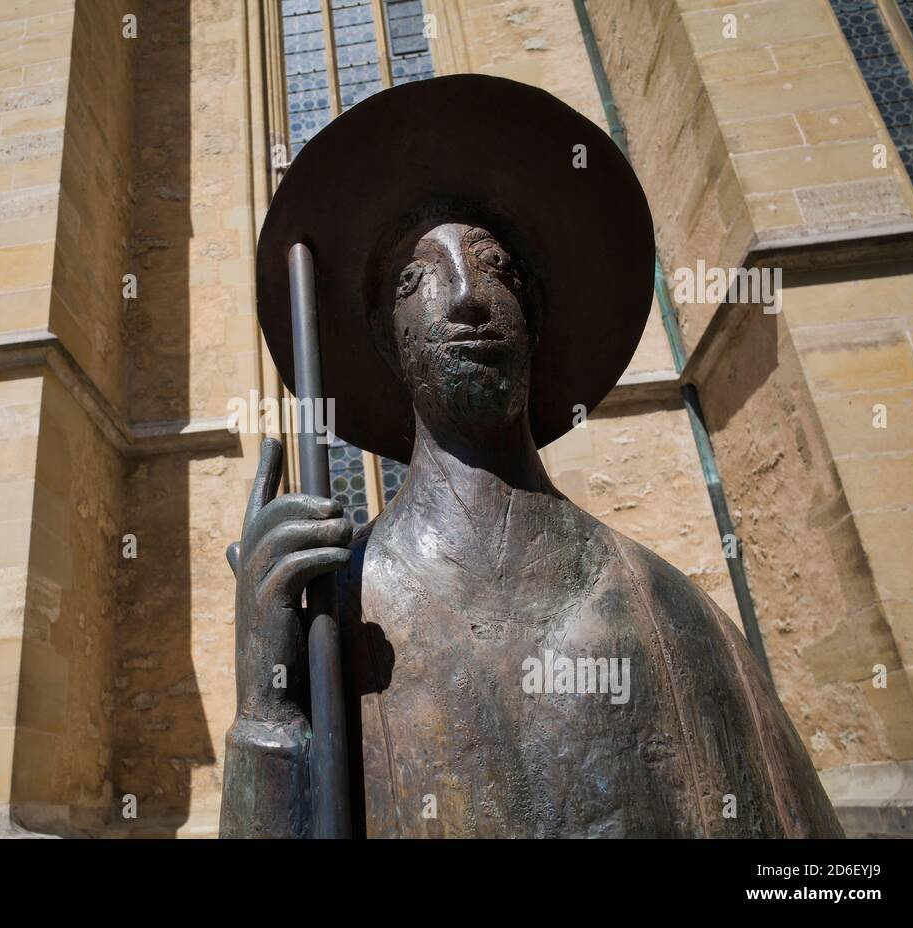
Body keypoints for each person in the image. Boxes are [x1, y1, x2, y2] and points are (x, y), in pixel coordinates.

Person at [220, 75, 842, 838]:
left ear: (535, 322)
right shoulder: (336, 617)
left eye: (498, 270)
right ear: (385, 338)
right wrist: (266, 704)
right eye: (419, 278)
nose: (467, 297)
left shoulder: (668, 612)